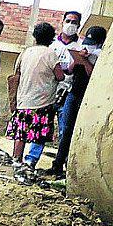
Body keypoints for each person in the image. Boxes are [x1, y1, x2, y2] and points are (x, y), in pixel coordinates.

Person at [6, 22, 66, 184]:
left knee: (21, 133)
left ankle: (16, 160)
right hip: (43, 102)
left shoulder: (25, 53)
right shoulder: (51, 54)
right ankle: (30, 161)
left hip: (23, 100)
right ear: (52, 38)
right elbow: (60, 76)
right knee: (38, 135)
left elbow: (16, 74)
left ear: (35, 37)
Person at [23, 10, 83, 168]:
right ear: (63, 22)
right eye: (68, 21)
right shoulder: (51, 45)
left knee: (65, 130)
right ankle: (31, 159)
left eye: (74, 22)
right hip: (47, 94)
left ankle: (61, 164)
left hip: (68, 93)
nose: (71, 25)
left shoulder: (81, 46)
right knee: (41, 127)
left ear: (79, 25)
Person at [47, 24, 106, 178]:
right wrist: (77, 58)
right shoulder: (83, 51)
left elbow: (94, 76)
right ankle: (57, 164)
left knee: (80, 132)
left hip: (89, 98)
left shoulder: (102, 57)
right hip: (74, 93)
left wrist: (85, 60)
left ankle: (73, 167)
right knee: (66, 131)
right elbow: (69, 71)